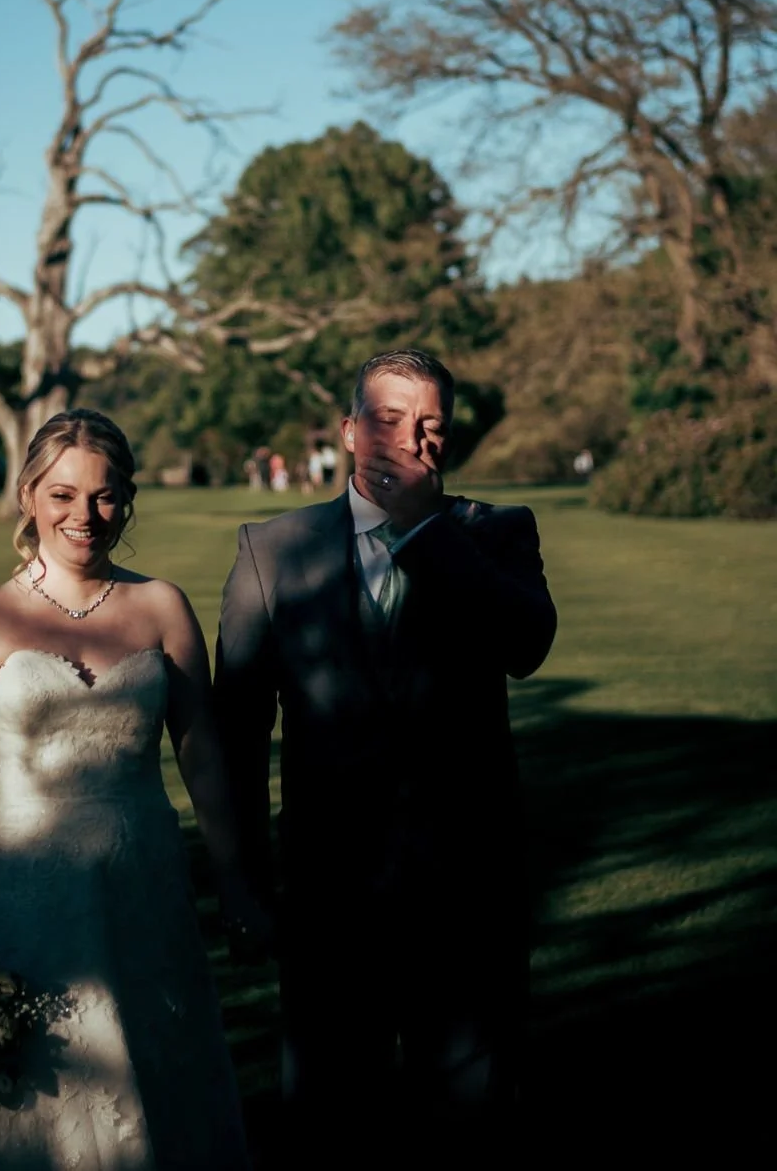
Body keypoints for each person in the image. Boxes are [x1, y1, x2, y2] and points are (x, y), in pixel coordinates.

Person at [0, 409, 260, 1171]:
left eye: (106, 496)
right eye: (63, 495)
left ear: (128, 499)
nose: (86, 516)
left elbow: (202, 758)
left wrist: (237, 884)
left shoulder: (162, 608)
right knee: (21, 1101)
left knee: (154, 1076)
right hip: (17, 902)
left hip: (140, 890)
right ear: (28, 496)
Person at [213, 349, 557, 1156]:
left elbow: (526, 643)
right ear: (347, 431)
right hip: (329, 900)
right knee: (332, 1123)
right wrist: (242, 883)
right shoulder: (273, 550)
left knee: (472, 1120)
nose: (412, 439)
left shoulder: (495, 533)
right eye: (390, 419)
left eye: (430, 424)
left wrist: (423, 529)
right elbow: (236, 732)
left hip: (470, 898)